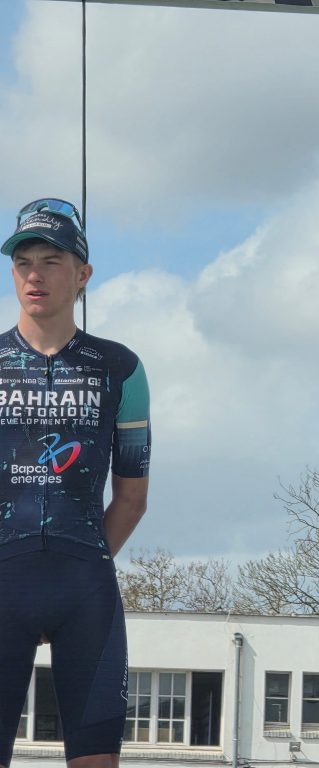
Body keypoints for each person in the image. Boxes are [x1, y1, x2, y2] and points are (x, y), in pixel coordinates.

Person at [0, 199, 151, 768]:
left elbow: (132, 498)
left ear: (83, 274)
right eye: (23, 263)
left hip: (86, 595)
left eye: (51, 261)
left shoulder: (121, 368)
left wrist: (80, 564)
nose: (34, 275)